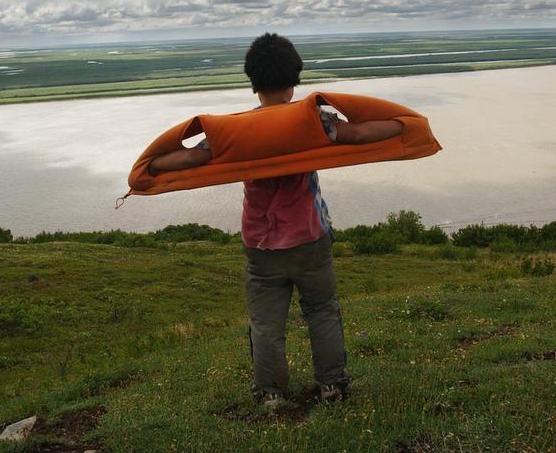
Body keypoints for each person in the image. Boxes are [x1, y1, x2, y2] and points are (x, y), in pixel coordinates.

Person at [144, 33, 404, 408]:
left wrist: (150, 166)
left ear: (253, 82)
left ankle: (269, 394)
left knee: (266, 323)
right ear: (295, 78)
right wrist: (404, 126)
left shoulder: (234, 132)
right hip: (309, 237)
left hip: (261, 244)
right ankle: (332, 386)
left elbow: (188, 159)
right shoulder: (314, 121)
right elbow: (362, 132)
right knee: (321, 310)